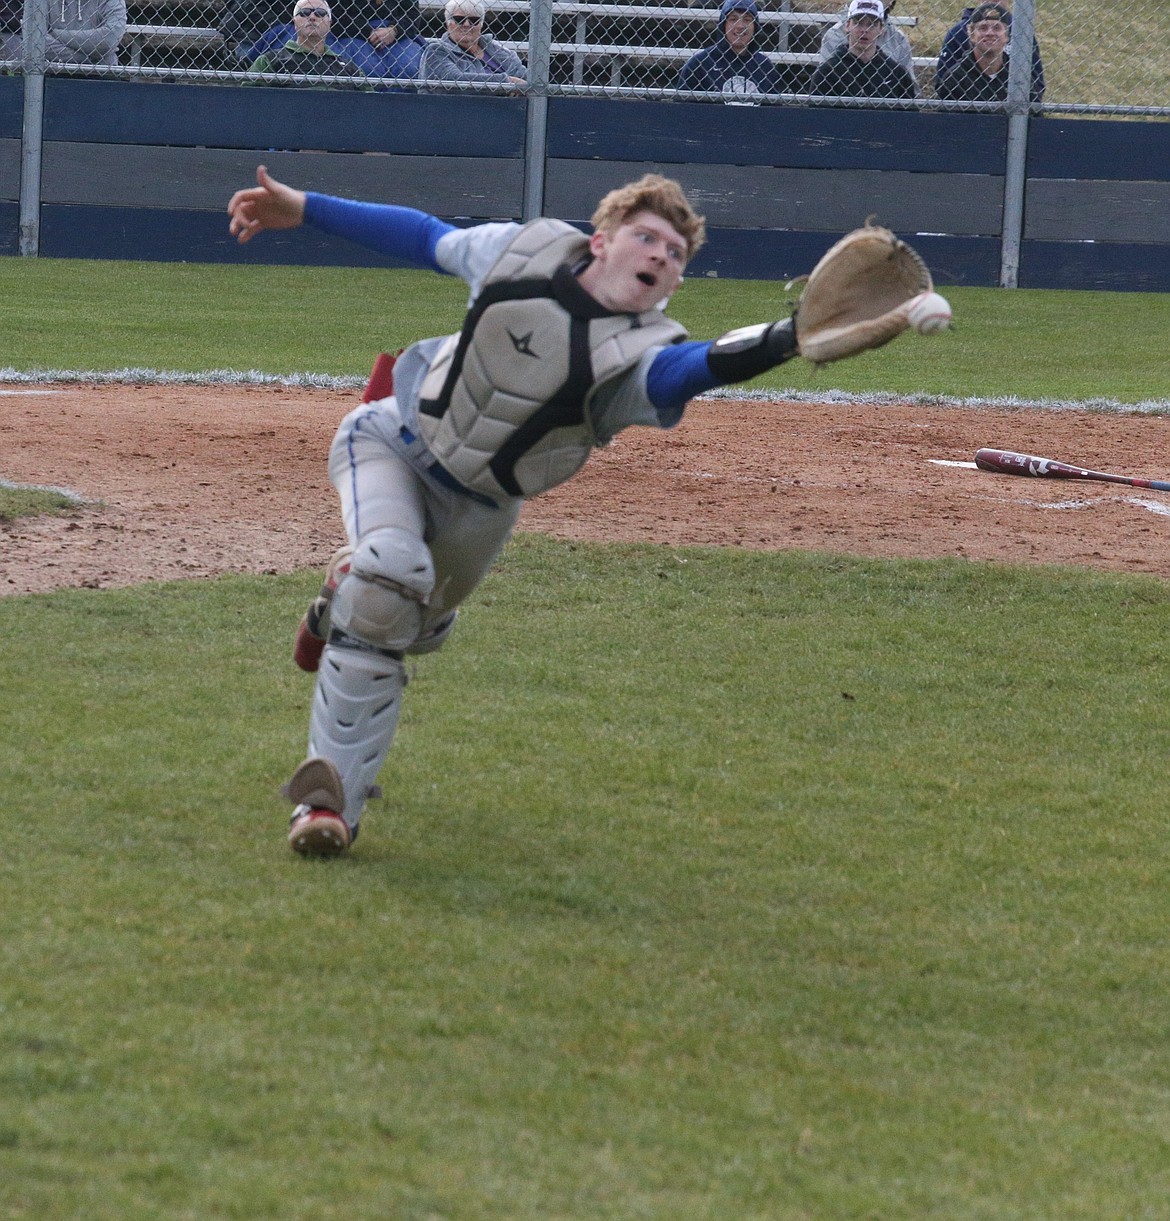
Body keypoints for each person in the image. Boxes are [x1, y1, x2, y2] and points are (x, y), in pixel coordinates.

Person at [226, 165, 820, 857]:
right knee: (391, 578)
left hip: (481, 511)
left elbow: (699, 367)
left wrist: (789, 336)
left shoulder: (640, 355)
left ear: (677, 283)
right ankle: (329, 805)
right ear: (601, 242)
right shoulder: (524, 251)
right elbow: (423, 236)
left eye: (676, 253)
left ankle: (339, 601)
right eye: (646, 236)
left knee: (417, 624)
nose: (660, 253)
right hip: (391, 438)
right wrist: (304, 206)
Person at [220, 0, 418, 67]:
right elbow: (239, 6)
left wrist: (394, 29)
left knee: (409, 66)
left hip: (301, 21)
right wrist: (292, 20)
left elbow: (412, 13)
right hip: (257, 30)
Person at [676, 0, 784, 105]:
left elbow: (774, 115)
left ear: (755, 26)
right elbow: (682, 112)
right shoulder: (699, 64)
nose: (740, 26)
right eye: (733, 19)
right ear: (723, 25)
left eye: (747, 19)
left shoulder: (765, 67)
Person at [808, 0, 916, 102]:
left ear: (881, 29)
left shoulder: (897, 73)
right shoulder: (827, 72)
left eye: (872, 24)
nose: (864, 30)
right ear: (847, 25)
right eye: (858, 23)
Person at [935, 2, 1044, 104]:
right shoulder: (955, 77)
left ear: (1007, 36)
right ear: (971, 35)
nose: (990, 33)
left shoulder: (1019, 76)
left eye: (997, 28)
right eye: (983, 28)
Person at [247, 0, 371, 88]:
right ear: (295, 23)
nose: (312, 17)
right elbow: (246, 98)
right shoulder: (269, 61)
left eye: (320, 13)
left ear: (329, 23)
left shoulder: (348, 68)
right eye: (305, 12)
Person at [418, 0, 525, 92]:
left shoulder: (498, 51)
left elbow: (524, 77)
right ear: (448, 23)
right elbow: (454, 81)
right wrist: (507, 82)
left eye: (474, 20)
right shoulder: (437, 50)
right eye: (459, 19)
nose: (466, 24)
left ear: (481, 24)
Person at [2, 0, 126, 67]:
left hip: (102, 77)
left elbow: (108, 40)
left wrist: (56, 34)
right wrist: (97, 58)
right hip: (52, 74)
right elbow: (33, 43)